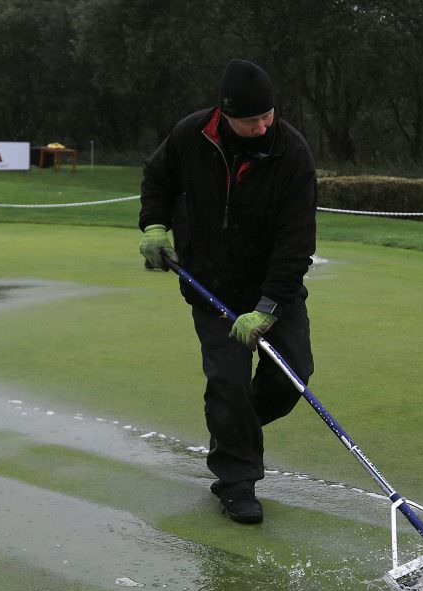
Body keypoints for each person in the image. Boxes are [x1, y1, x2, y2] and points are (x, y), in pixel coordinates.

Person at [138, 58, 317, 524]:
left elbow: (296, 241)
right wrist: (155, 225)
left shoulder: (291, 152)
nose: (261, 127)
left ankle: (230, 430)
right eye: (250, 119)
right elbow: (157, 179)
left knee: (292, 376)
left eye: (267, 116)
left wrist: (268, 307)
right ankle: (236, 483)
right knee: (229, 383)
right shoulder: (191, 135)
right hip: (211, 284)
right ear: (225, 113)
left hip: (272, 286)